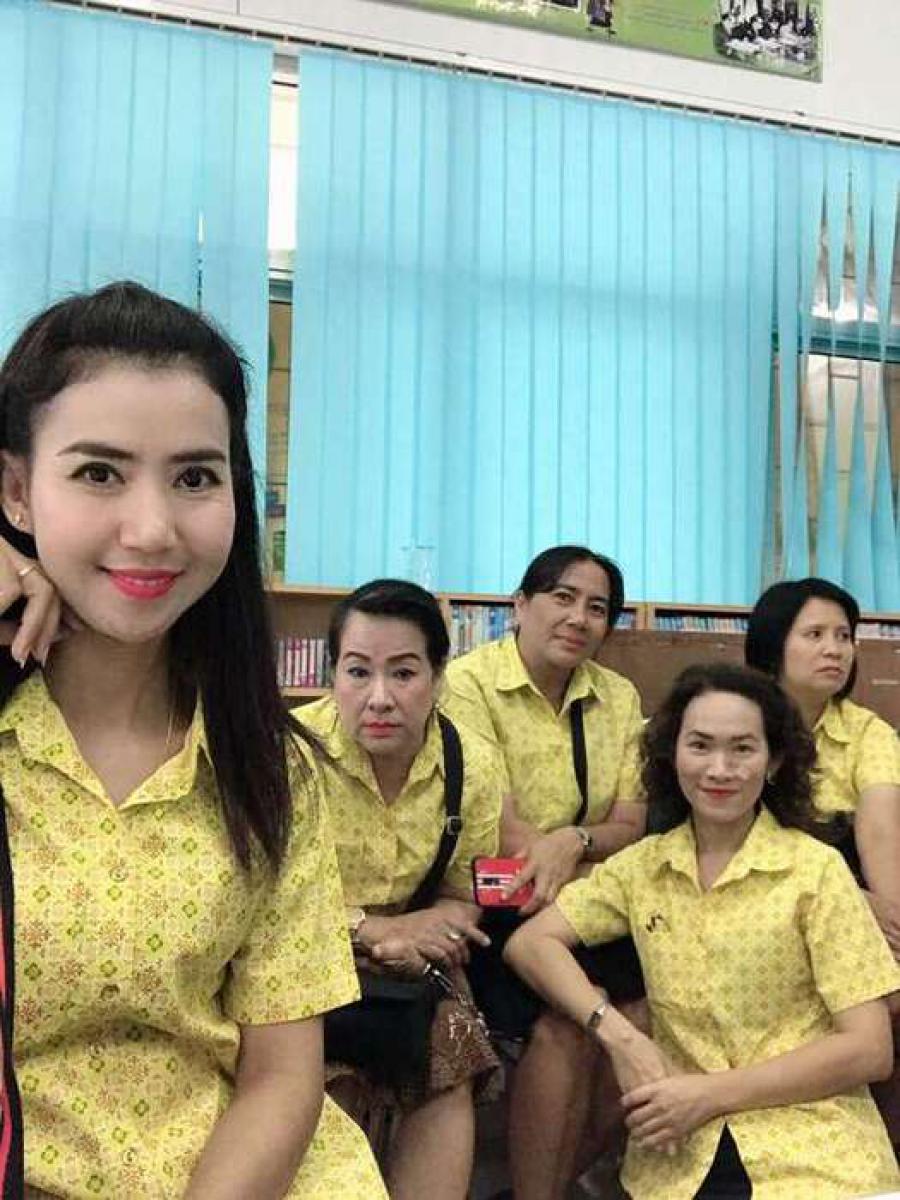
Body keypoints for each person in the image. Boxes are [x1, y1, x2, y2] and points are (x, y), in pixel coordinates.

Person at [0, 282, 386, 1199]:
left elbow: (283, 1076)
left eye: (195, 478)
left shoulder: (267, 764)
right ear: (17, 489)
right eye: (99, 473)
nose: (153, 530)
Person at [506, 662, 900, 1199]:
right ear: (672, 756)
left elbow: (870, 1048)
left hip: (816, 1152)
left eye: (742, 749)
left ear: (774, 761)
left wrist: (709, 1094)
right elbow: (531, 943)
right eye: (700, 746)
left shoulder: (816, 871)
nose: (719, 769)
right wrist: (620, 1037)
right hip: (678, 1162)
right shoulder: (642, 867)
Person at [442, 545, 646, 1199]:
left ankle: (550, 1185)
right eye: (562, 597)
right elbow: (493, 822)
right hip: (498, 896)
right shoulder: (467, 684)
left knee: (654, 1008)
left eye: (597, 607)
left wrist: (573, 840)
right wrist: (565, 860)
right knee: (569, 1015)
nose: (579, 618)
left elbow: (630, 822)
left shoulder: (617, 696)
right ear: (520, 605)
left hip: (589, 895)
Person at [294, 579, 503, 1200]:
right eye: (358, 672)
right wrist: (370, 930)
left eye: (404, 673)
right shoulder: (287, 753)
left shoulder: (472, 764)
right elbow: (260, 901)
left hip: (418, 956)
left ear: (438, 677)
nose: (379, 698)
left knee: (447, 1061)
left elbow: (465, 890)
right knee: (319, 1084)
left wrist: (423, 932)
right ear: (332, 674)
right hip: (299, 953)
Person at [746, 576, 900, 1143]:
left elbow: (880, 830)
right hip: (757, 889)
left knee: (889, 994)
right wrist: (851, 900)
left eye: (844, 636)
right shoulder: (739, 718)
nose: (835, 649)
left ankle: (873, 1152)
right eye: (814, 635)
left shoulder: (867, 731)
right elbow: (736, 834)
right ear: (774, 644)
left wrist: (892, 923)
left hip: (847, 890)